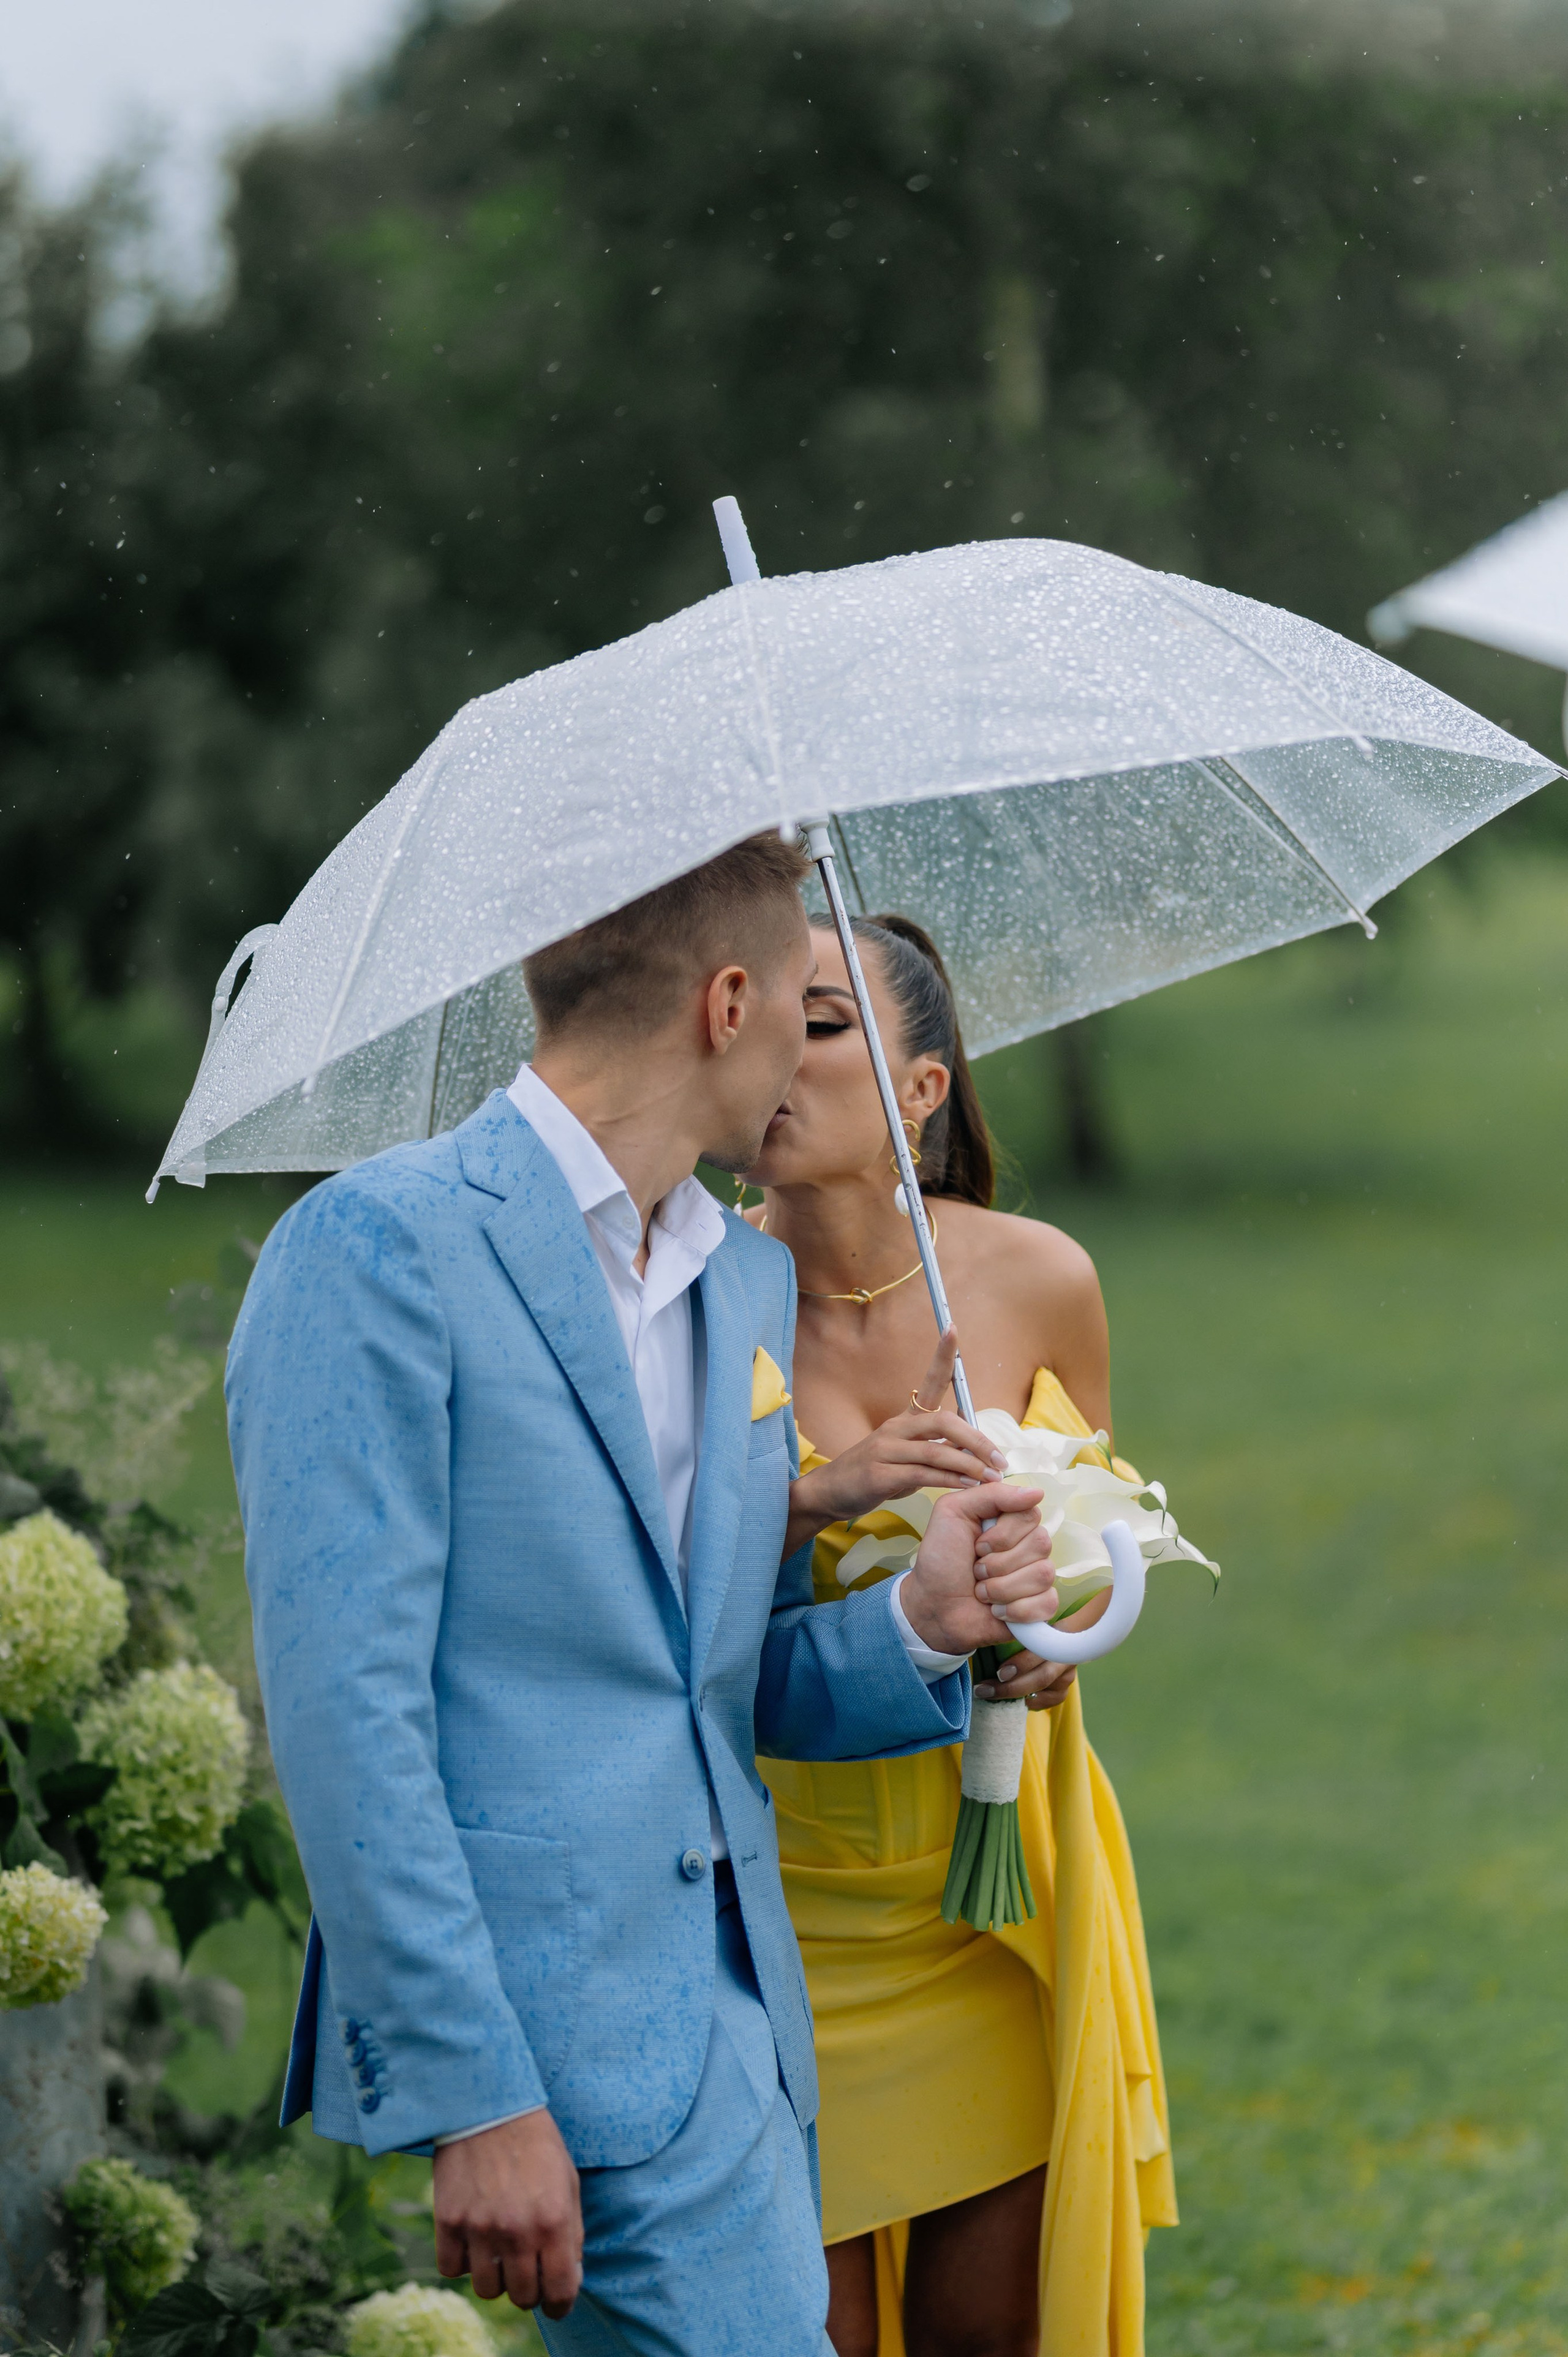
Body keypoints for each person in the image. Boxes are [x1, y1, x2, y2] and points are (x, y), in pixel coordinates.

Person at [225, 835, 1067, 2357]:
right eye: (807, 1006)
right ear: (726, 1006)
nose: (811, 1061)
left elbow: (702, 1682)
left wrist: (923, 1622)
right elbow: (349, 1717)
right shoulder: (373, 1250)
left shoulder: (733, 1282)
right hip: (544, 2046)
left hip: (739, 2032)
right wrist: (477, 2090)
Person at [745, 913, 1178, 2357]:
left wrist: (1044, 1642)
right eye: (741, 1015)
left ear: (920, 1087)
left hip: (997, 1899)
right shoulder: (688, 1308)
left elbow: (1089, 1546)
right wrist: (818, 1501)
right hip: (790, 1909)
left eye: (816, 1023)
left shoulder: (1039, 1276)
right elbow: (658, 1619)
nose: (768, 1056)